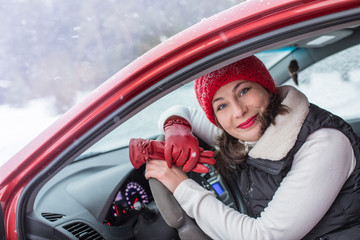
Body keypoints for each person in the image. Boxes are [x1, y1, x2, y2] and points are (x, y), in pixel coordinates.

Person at [144, 56, 360, 239]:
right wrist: (176, 127)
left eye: (243, 91)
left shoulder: (324, 144)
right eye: (221, 105)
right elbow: (183, 111)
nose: (238, 111)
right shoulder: (245, 133)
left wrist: (182, 187)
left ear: (265, 87)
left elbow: (263, 236)